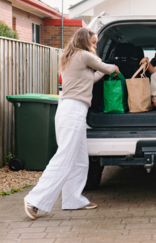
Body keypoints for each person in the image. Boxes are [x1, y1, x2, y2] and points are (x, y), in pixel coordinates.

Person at [24, 28, 118, 220]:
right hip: (73, 111)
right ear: (84, 41)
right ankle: (34, 200)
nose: (95, 46)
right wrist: (114, 67)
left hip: (72, 111)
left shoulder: (72, 56)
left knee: (80, 159)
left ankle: (73, 199)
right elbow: (105, 68)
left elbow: (92, 78)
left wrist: (105, 70)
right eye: (93, 42)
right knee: (65, 157)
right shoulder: (84, 55)